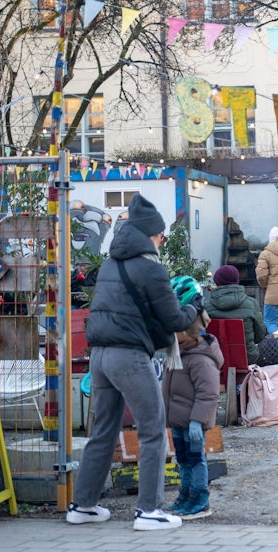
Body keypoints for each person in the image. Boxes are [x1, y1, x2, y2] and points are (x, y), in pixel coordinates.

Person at [67, 194, 201, 532]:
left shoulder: (112, 263)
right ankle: (149, 511)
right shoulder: (151, 268)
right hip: (129, 356)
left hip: (99, 355)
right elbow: (173, 319)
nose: (161, 240)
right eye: (160, 235)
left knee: (103, 432)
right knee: (153, 430)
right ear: (149, 234)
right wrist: (196, 307)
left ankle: (82, 506)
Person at [163, 276, 223, 520]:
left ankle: (200, 499)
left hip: (192, 423)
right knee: (183, 461)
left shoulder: (199, 358)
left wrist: (198, 421)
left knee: (196, 460)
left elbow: (208, 393)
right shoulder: (177, 354)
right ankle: (185, 496)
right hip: (179, 421)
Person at [208, 264, 267, 364]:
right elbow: (260, 336)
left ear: (216, 282)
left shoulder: (206, 307)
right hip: (246, 357)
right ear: (237, 280)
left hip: (214, 358)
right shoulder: (251, 304)